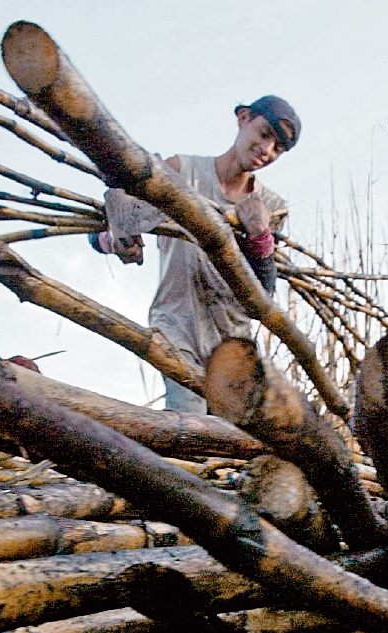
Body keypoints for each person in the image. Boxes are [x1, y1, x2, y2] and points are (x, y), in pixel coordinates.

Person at [92, 96, 300, 414]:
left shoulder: (269, 207)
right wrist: (117, 241)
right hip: (176, 324)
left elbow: (263, 295)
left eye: (278, 149)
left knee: (230, 438)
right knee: (188, 417)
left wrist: (260, 237)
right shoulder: (181, 173)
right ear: (243, 118)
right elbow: (108, 225)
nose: (266, 150)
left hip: (232, 340)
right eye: (265, 134)